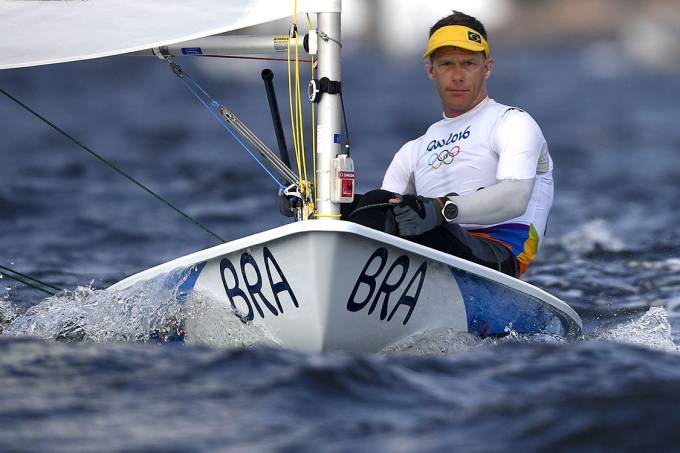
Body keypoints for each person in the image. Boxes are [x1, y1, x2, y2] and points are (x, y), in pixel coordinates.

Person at [346, 11, 553, 278]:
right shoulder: (413, 150)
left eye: (468, 63)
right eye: (446, 64)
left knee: (418, 223)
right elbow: (384, 213)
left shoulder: (513, 122)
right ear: (431, 70)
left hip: (500, 258)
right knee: (371, 206)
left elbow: (515, 198)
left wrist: (440, 210)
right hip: (436, 252)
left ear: (487, 68)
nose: (458, 75)